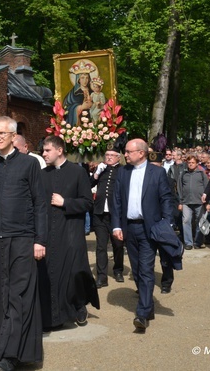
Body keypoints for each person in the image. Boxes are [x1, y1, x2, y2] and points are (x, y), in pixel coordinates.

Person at [0, 116, 47, 371]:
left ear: (14, 137)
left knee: (18, 296)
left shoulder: (29, 165)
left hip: (22, 239)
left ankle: (11, 355)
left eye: (2, 133)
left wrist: (40, 240)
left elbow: (40, 204)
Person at [111, 139, 173, 332]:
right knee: (137, 270)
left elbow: (166, 198)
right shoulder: (122, 172)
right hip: (129, 228)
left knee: (146, 270)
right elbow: (116, 201)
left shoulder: (158, 173)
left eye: (129, 152)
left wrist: (167, 224)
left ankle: (142, 313)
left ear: (141, 153)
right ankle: (149, 307)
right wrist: (116, 226)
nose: (125, 155)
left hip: (149, 228)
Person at [39, 136, 99, 330]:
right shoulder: (41, 174)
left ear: (59, 150)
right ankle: (53, 316)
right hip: (49, 232)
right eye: (43, 150)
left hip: (71, 230)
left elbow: (88, 202)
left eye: (47, 150)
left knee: (74, 271)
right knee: (50, 272)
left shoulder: (77, 172)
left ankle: (79, 305)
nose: (44, 154)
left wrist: (66, 203)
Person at [90, 148, 125, 287]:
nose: (109, 157)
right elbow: (89, 184)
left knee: (117, 244)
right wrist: (97, 173)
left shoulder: (123, 170)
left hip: (115, 214)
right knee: (101, 246)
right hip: (99, 212)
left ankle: (118, 269)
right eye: (107, 155)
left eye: (112, 155)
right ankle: (102, 277)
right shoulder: (101, 169)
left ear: (118, 157)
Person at [178, 155, 208, 250]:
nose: (190, 164)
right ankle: (188, 242)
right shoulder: (183, 174)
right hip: (186, 202)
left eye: (192, 163)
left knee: (200, 222)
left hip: (199, 202)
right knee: (186, 221)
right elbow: (179, 188)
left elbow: (207, 188)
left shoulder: (202, 173)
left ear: (196, 163)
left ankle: (198, 242)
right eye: (189, 163)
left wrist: (208, 202)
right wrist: (180, 202)